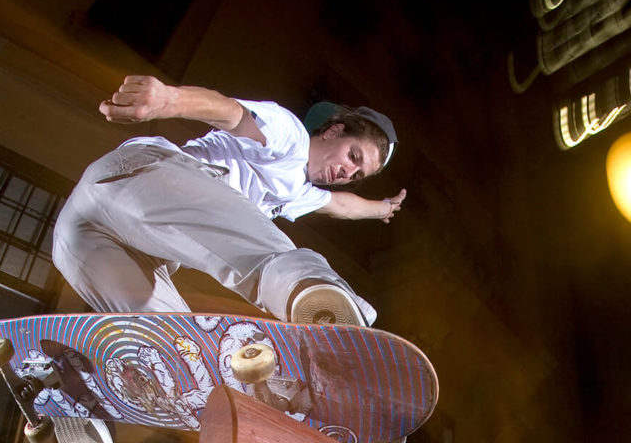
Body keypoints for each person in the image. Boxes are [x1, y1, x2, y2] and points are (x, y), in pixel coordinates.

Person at [52, 75, 406, 327]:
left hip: (86, 236)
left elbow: (342, 206)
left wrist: (383, 208)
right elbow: (230, 113)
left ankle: (72, 383)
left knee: (172, 341)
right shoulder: (291, 138)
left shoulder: (300, 194)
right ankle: (326, 308)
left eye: (357, 174)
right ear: (333, 131)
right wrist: (169, 99)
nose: (347, 172)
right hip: (136, 179)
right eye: (353, 156)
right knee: (268, 258)